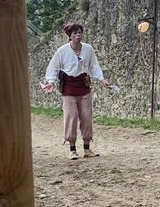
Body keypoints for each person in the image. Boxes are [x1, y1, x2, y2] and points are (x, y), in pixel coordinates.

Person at [41, 23, 113, 160]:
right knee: (71, 116)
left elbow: (93, 66)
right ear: (70, 36)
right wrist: (50, 82)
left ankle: (87, 148)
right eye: (75, 33)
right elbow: (54, 68)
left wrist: (102, 80)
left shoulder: (88, 49)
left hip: (83, 86)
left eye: (80, 33)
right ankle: (72, 149)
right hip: (69, 87)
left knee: (86, 116)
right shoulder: (62, 51)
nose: (78, 35)